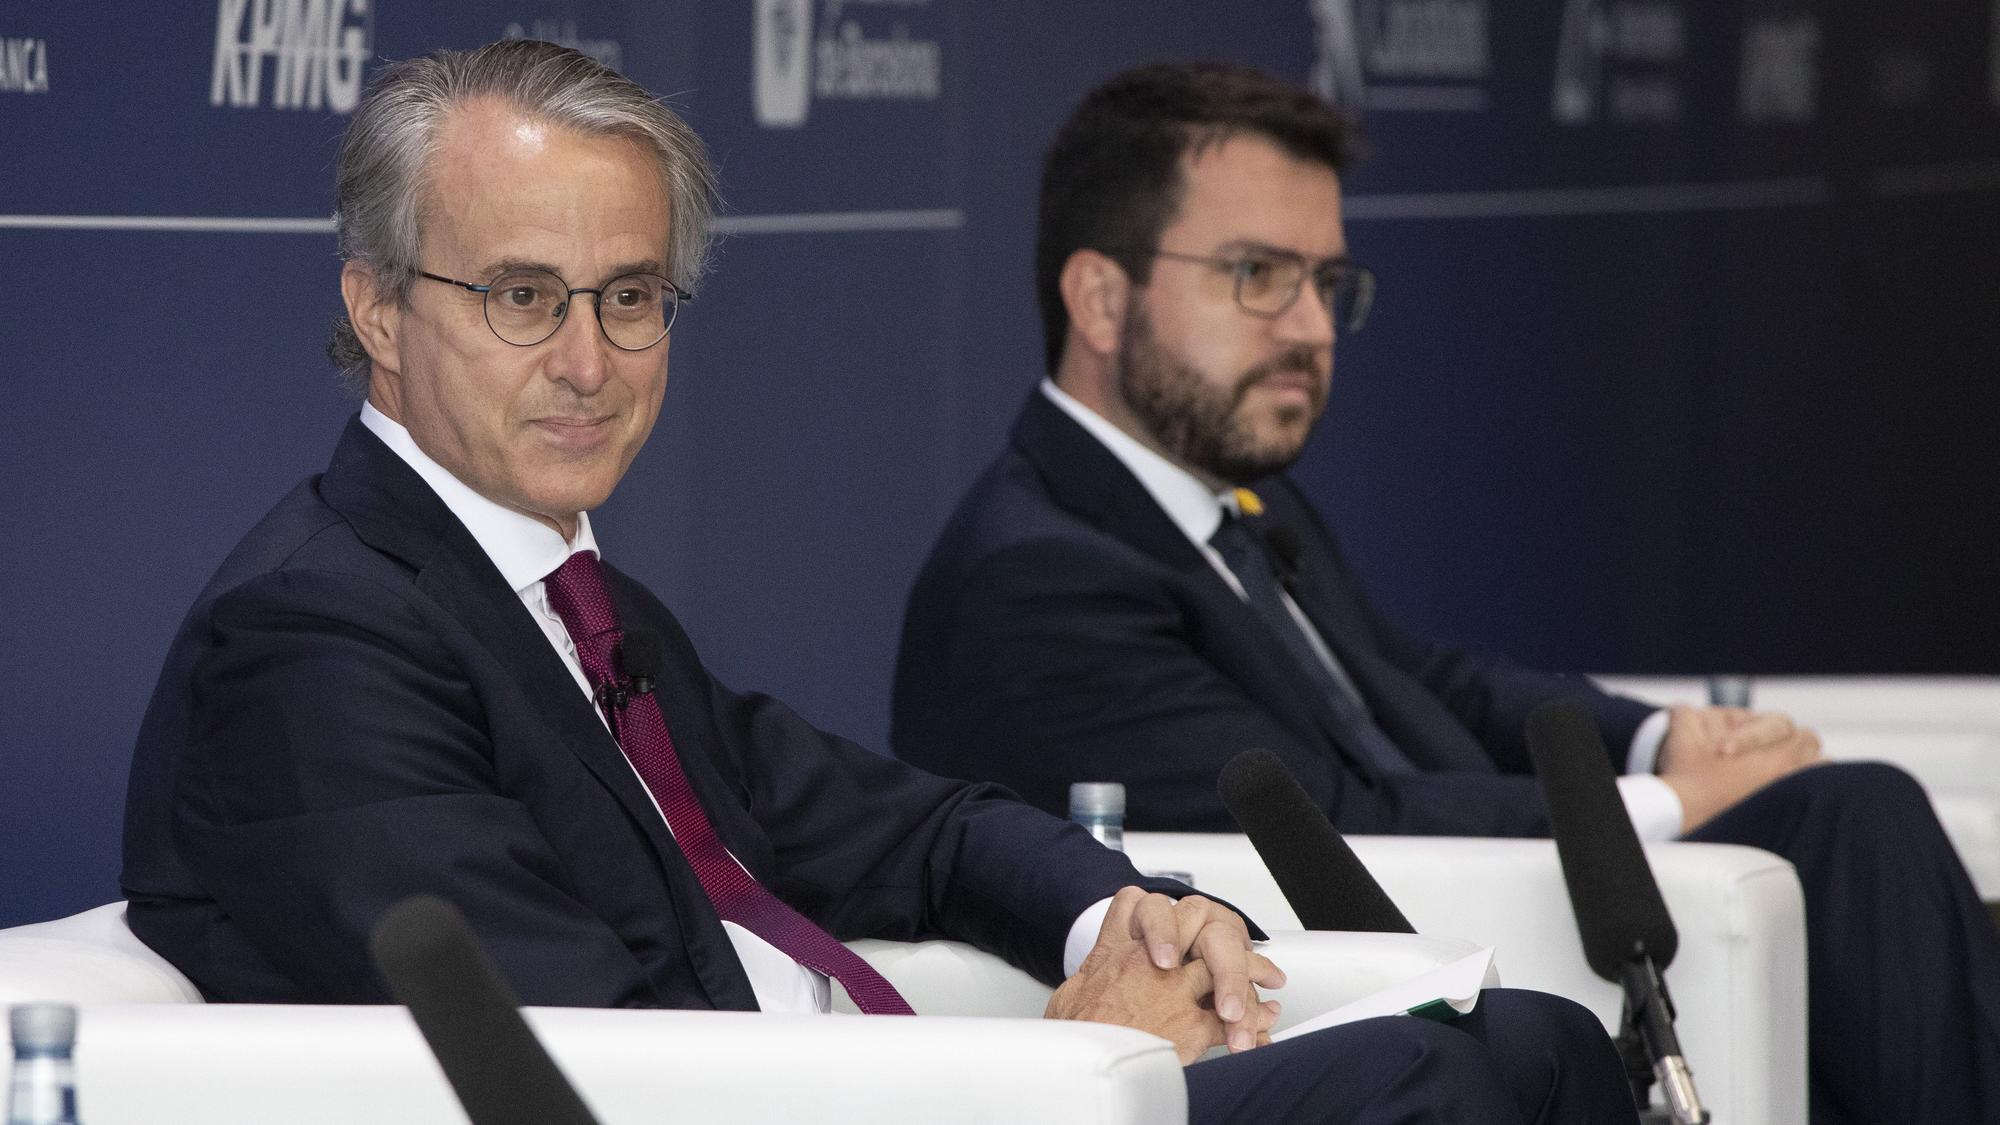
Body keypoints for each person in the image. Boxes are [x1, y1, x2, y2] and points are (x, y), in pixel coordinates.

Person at [119, 41, 1636, 1124]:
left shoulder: (571, 600)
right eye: (523, 297)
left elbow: (910, 825)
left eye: (632, 297)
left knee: (1537, 1039)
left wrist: (1125, 919)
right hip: (872, 1104)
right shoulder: (317, 635)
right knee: (1461, 1069)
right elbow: (597, 1061)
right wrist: (1051, 1071)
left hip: (936, 1082)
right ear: (377, 307)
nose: (588, 361)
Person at [891, 60, 2000, 1125]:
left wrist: (1660, 741)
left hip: (1472, 879)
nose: (1312, 329)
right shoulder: (1033, 579)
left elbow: (1425, 685)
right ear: (1097, 296)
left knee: (1851, 809)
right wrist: (1663, 812)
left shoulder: (1226, 494)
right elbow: (1335, 819)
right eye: (1256, 276)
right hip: (1361, 940)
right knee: (1854, 824)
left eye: (1325, 284)